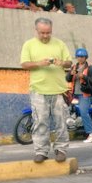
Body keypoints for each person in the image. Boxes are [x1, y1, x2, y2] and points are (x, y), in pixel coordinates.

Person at [19, 17, 72, 163]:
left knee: (61, 122)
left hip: (59, 90)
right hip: (38, 90)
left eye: (48, 33)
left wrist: (62, 62)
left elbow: (69, 62)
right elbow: (24, 64)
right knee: (40, 122)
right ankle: (41, 151)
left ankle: (61, 150)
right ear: (36, 30)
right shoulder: (29, 45)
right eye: (42, 33)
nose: (45, 36)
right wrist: (39, 63)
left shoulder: (60, 44)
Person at [66, 47, 92, 144]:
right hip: (75, 94)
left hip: (86, 94)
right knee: (72, 111)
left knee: (83, 112)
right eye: (78, 56)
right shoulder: (74, 67)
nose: (80, 58)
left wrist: (83, 76)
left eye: (82, 56)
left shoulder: (90, 68)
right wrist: (71, 75)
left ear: (86, 58)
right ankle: (81, 128)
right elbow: (67, 79)